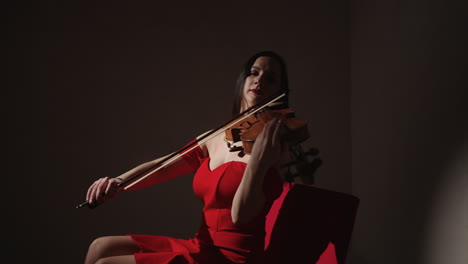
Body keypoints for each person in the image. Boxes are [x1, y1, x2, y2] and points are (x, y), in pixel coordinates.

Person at [84, 51, 300, 264]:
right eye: (254, 73)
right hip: (202, 245)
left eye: (270, 78)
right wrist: (119, 182)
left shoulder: (276, 148)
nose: (259, 80)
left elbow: (240, 216)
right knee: (100, 247)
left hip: (235, 258)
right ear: (243, 80)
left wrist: (259, 164)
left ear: (280, 92)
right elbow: (163, 166)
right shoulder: (216, 137)